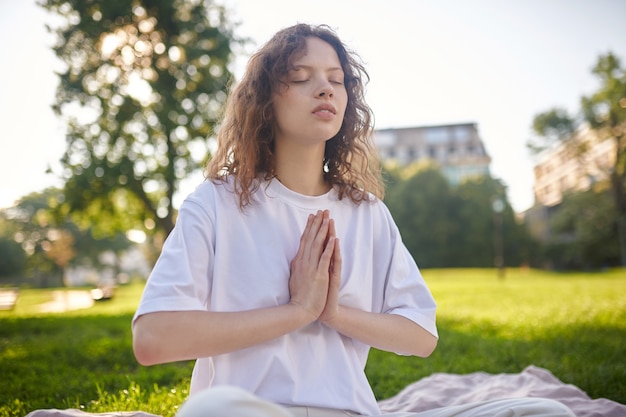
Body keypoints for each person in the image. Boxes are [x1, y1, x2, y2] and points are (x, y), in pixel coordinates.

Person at [132, 23, 574, 417]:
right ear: (265, 101)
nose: (324, 89)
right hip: (249, 410)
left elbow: (420, 335)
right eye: (301, 77)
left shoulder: (367, 212)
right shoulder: (216, 203)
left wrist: (333, 313)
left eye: (336, 80)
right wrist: (295, 311)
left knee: (542, 410)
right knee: (213, 408)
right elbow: (153, 338)